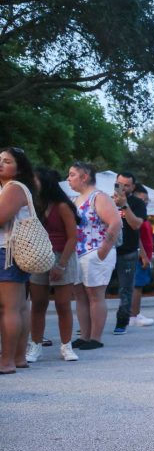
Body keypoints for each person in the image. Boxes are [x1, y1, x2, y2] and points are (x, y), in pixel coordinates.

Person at [25, 167, 81, 363]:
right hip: (39, 255)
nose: (32, 183)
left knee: (63, 305)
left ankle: (66, 346)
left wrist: (61, 265)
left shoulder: (63, 206)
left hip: (62, 255)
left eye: (35, 180)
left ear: (45, 183)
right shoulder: (34, 205)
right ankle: (35, 345)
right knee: (38, 304)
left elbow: (73, 238)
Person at [69, 161, 121, 350]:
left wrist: (102, 251)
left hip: (95, 252)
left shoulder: (99, 197)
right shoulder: (76, 199)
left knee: (95, 296)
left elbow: (115, 222)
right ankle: (84, 336)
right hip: (79, 253)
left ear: (84, 177)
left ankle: (95, 338)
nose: (69, 178)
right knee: (80, 296)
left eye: (72, 174)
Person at [0, 147, 38, 372]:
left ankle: (6, 361)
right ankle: (18, 357)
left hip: (7, 252)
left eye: (7, 161)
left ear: (19, 168)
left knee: (9, 309)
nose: (0, 164)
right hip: (13, 251)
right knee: (20, 307)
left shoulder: (13, 188)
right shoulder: (13, 187)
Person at [111, 172, 147, 336]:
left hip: (127, 252)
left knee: (125, 290)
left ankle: (122, 322)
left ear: (133, 187)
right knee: (95, 288)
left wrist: (124, 205)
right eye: (120, 184)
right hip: (107, 251)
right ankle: (90, 324)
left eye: (127, 185)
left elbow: (136, 225)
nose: (123, 188)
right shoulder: (106, 200)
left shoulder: (137, 203)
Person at [127, 186, 154, 328]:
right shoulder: (134, 216)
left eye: (146, 200)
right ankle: (133, 316)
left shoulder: (142, 215)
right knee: (137, 286)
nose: (144, 202)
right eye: (142, 199)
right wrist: (143, 255)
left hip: (145, 256)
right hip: (139, 256)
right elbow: (136, 237)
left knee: (139, 286)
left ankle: (135, 313)